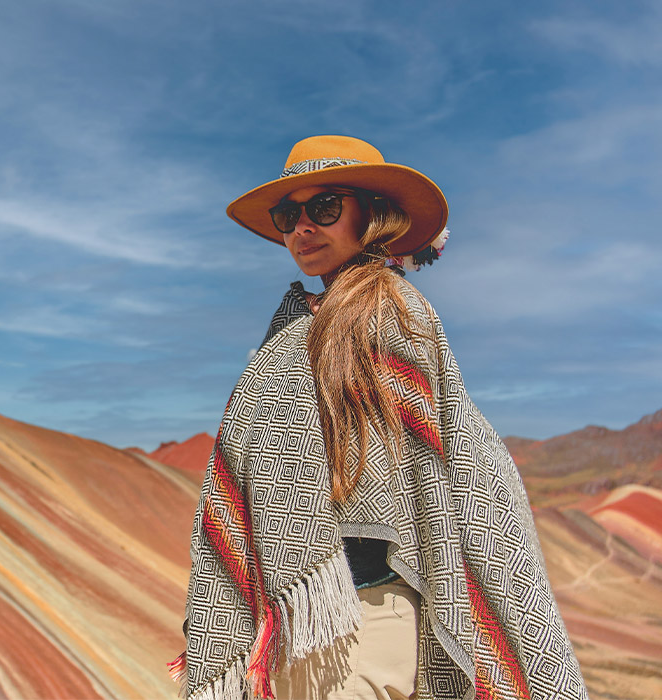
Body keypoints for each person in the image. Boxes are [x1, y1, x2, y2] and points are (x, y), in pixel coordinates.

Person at [169, 136, 586, 700]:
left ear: (371, 214)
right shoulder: (298, 327)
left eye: (323, 208)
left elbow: (416, 468)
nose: (302, 229)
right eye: (289, 215)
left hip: (363, 620)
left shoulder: (389, 312)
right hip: (301, 628)